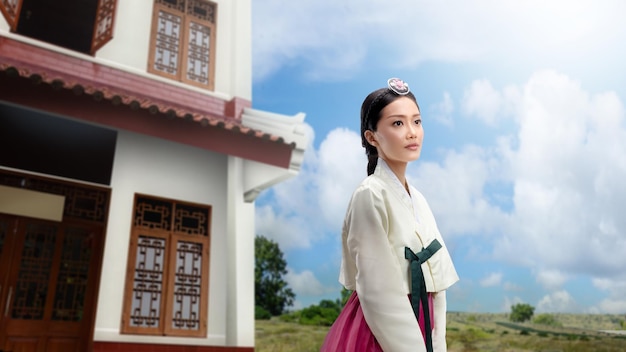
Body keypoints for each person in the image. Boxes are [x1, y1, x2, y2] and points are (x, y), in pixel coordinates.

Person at [320, 78, 459, 352]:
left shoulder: (418, 199)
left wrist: (438, 342)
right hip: (379, 332)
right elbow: (377, 291)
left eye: (416, 122)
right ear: (372, 137)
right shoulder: (369, 195)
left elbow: (437, 281)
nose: (412, 132)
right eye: (398, 123)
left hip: (423, 325)